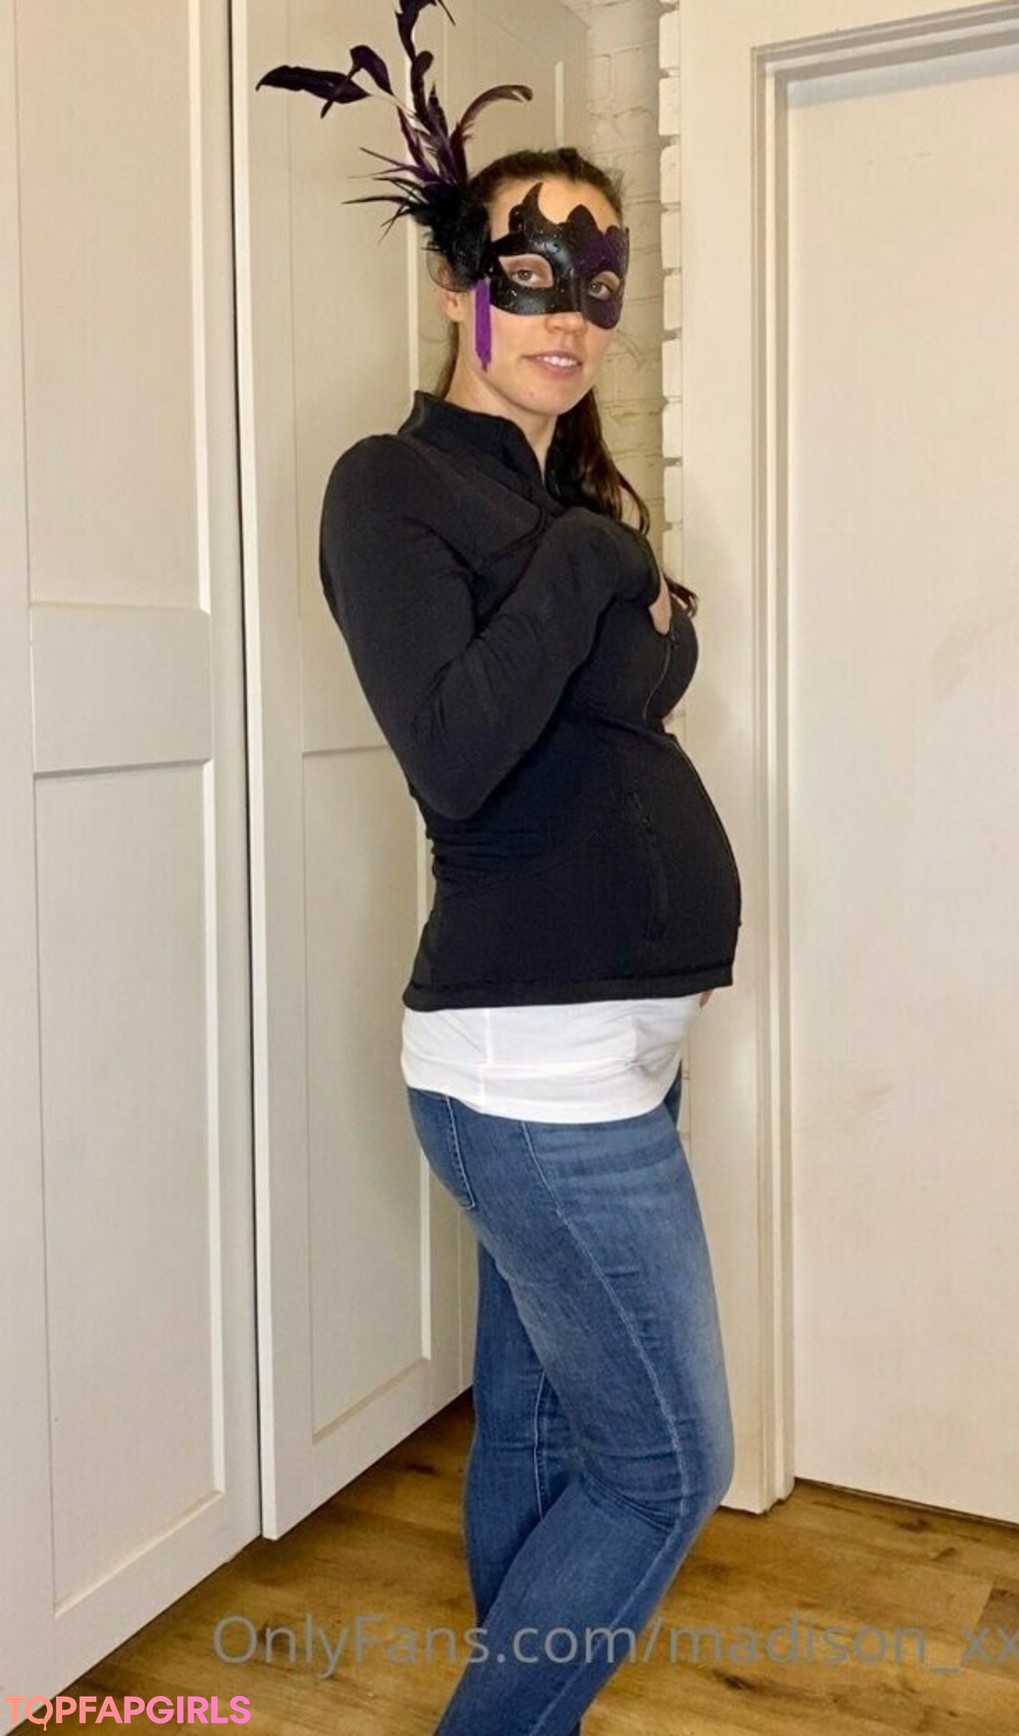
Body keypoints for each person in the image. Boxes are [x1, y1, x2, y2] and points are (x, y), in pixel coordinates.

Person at [261, 12, 741, 1733]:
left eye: (597, 288)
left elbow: (643, 688)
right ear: (460, 283)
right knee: (669, 1462)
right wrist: (603, 564)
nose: (568, 316)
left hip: (616, 1046)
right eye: (531, 277)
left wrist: (602, 570)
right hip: (529, 1064)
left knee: (540, 1426)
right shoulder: (389, 488)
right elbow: (461, 750)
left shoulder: (559, 504)